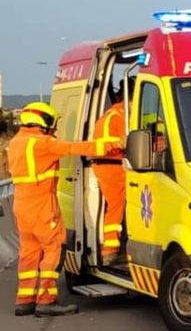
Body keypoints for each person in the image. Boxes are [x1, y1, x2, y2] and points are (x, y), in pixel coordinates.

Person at [7, 102, 118, 317]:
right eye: (52, 123)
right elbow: (75, 148)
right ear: (43, 120)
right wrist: (112, 144)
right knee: (54, 247)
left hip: (21, 205)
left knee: (29, 253)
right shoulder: (42, 143)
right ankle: (46, 301)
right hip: (42, 205)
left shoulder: (16, 142)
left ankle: (25, 300)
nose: (54, 128)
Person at [91, 86, 128, 262]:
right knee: (117, 205)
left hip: (109, 163)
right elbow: (129, 142)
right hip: (112, 164)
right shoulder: (120, 116)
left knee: (116, 205)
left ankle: (114, 248)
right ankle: (111, 250)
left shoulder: (112, 114)